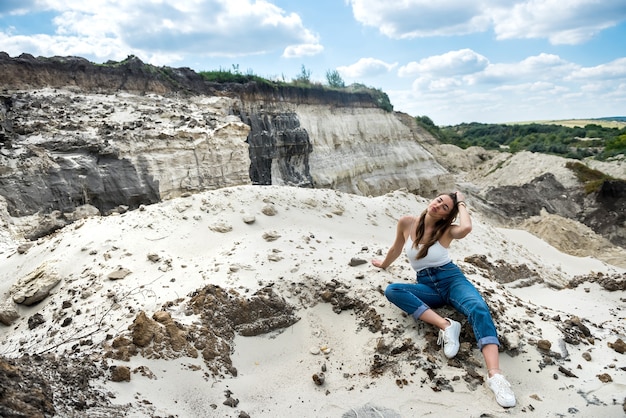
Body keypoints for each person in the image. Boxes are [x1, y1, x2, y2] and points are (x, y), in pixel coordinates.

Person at [371, 191, 516, 408]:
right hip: (427, 285)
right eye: (439, 200)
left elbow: (466, 228)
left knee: (478, 308)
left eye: (445, 207)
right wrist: (383, 264)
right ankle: (447, 325)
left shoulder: (446, 231)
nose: (438, 206)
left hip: (452, 280)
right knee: (393, 290)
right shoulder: (407, 223)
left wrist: (462, 202)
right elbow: (396, 248)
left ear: (447, 216)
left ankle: (496, 377)